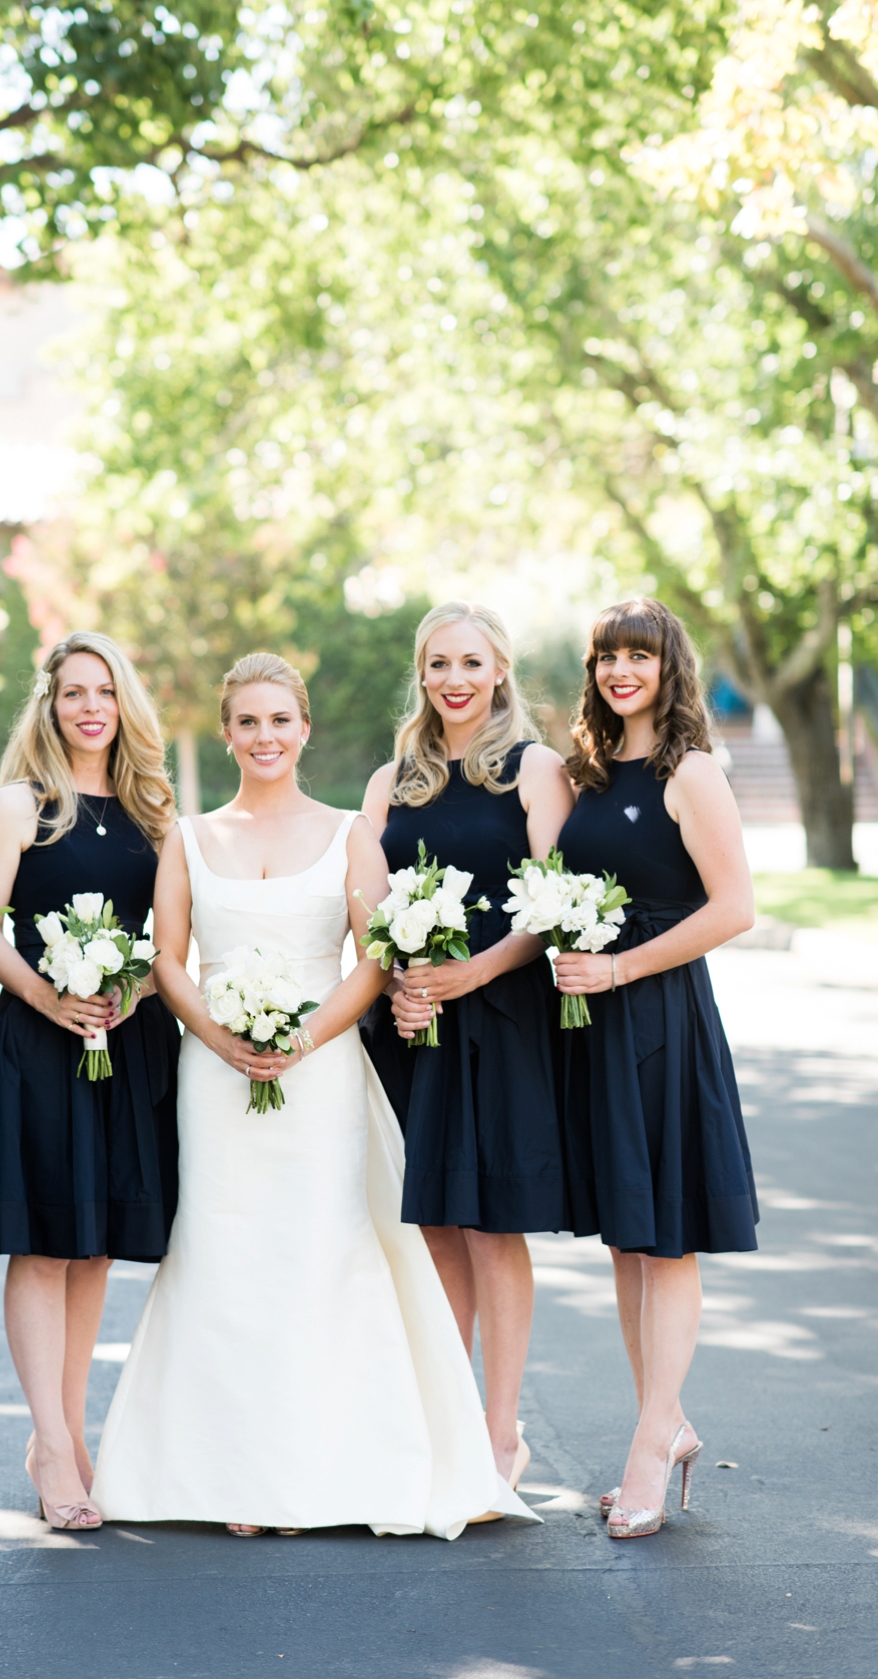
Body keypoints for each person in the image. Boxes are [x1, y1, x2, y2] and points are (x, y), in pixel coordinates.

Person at [92, 651, 537, 1538]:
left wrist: (300, 1036)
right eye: (247, 722)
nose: (265, 737)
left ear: (304, 729)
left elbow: (374, 959)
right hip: (213, 1078)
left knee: (319, 1256)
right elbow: (169, 960)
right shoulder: (188, 838)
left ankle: (312, 1475)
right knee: (221, 1257)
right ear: (226, 734)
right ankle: (230, 1481)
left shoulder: (349, 834)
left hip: (322, 1072)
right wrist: (219, 1037)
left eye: (279, 721)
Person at [553, 598, 757, 1539]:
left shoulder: (693, 772)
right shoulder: (587, 774)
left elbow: (732, 909)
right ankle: (662, 1421)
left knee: (665, 1234)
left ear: (669, 668)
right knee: (626, 1237)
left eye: (640, 655)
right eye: (607, 658)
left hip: (661, 1018)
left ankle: (648, 1442)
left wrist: (623, 966)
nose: (621, 671)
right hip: (592, 1025)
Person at [0, 632, 179, 1532]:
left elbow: (171, 937)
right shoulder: (18, 806)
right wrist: (46, 998)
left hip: (127, 1039)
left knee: (94, 1246)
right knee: (45, 1242)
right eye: (72, 693)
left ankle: (70, 1426)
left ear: (125, 704)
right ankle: (50, 1441)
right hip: (38, 1039)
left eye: (105, 691)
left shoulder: (155, 811)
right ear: (48, 706)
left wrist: (128, 991)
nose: (90, 707)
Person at [360, 602, 574, 1491]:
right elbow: (365, 903)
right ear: (421, 673)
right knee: (436, 1226)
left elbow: (554, 906)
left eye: (470, 663)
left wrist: (469, 975)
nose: (453, 680)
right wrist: (403, 977)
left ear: (500, 671)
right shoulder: (391, 782)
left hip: (501, 1022)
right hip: (411, 1023)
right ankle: (443, 1419)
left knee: (491, 1228)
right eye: (438, 664)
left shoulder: (534, 769)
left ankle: (499, 1431)